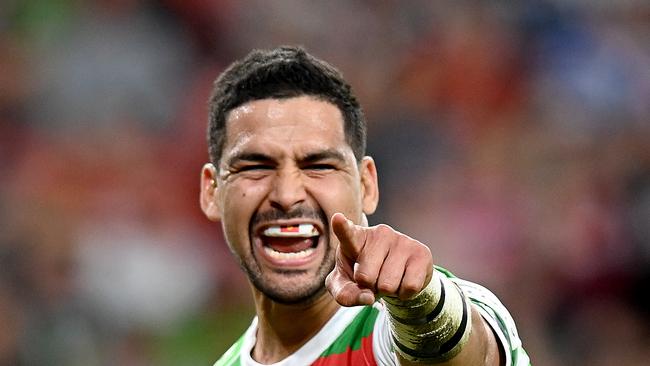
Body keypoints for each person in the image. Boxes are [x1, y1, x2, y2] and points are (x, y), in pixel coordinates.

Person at [200, 46, 530, 366]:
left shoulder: (390, 330)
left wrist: (420, 307)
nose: (287, 195)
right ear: (212, 191)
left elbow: (465, 351)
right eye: (255, 166)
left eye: (319, 165)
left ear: (366, 185)